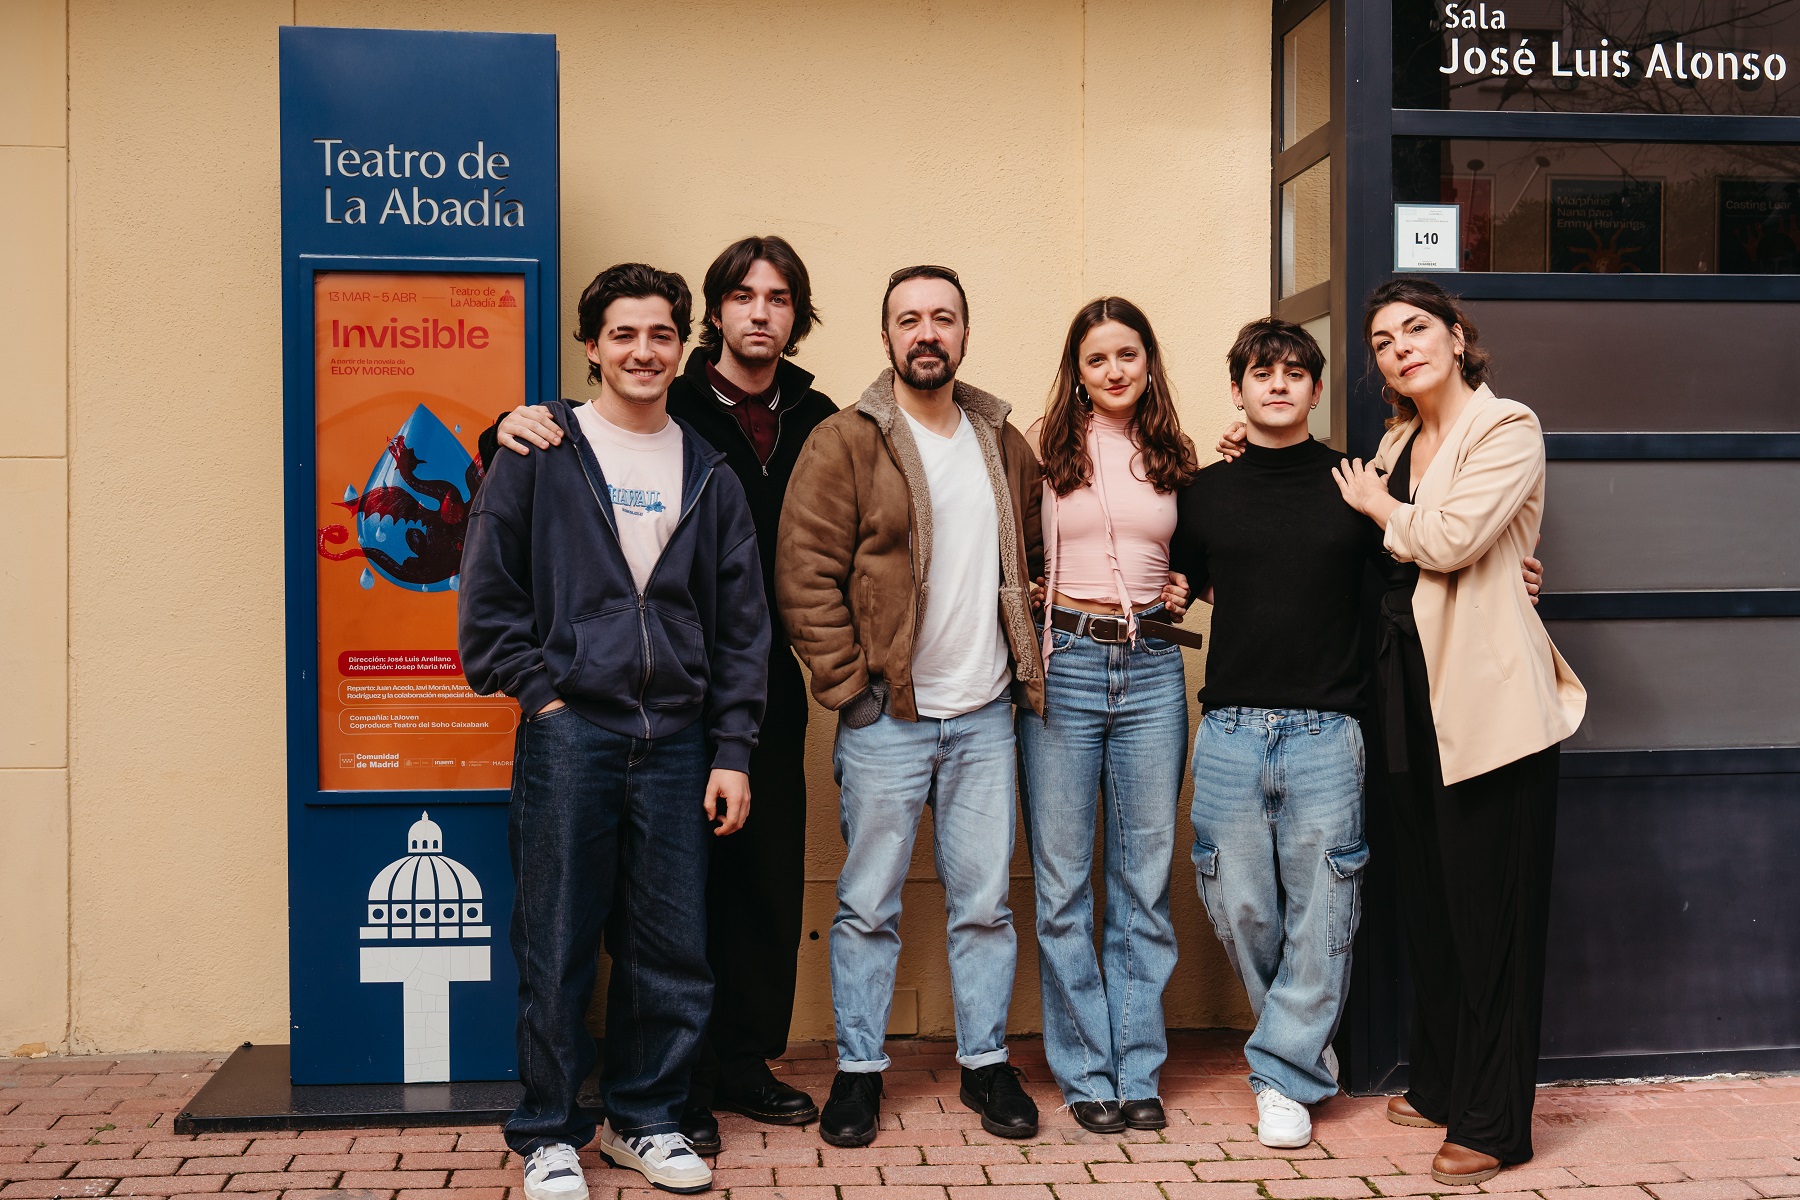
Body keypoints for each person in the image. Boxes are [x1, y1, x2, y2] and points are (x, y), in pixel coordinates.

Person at [479, 236, 836, 1154]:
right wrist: (542, 697)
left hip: (694, 717)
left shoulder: (757, 444)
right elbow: (493, 588)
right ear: (592, 345)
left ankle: (658, 1110)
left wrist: (731, 741)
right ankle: (562, 1129)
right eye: (625, 335)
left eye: (659, 335)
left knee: (680, 933)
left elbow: (756, 612)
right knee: (563, 936)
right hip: (577, 722)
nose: (645, 350)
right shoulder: (564, 442)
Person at [776, 265, 1044, 1148]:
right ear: (886, 335)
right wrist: (851, 692)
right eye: (909, 319)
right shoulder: (846, 440)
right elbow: (805, 575)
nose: (927, 332)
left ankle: (984, 1065)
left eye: (944, 318)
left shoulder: (1003, 440)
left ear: (966, 332)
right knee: (868, 906)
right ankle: (857, 1072)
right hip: (887, 718)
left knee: (983, 905)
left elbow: (1044, 550)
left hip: (984, 717)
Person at [1332, 278, 1585, 1187]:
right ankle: (1441, 1083)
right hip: (1408, 696)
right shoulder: (1399, 440)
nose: (1401, 346)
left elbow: (1446, 539)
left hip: (1488, 705)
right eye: (1383, 339)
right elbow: (1382, 540)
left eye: (1416, 328)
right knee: (1433, 905)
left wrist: (1385, 514)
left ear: (1456, 336)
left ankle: (1494, 1122)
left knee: (1491, 918)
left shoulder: (1506, 426)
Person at [1169, 318, 1379, 1151]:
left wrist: (1516, 569)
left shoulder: (1356, 484)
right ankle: (1299, 1047)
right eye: (1262, 372)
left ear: (1317, 391)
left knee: (1325, 905)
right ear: (1238, 389)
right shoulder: (1205, 493)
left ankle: (1283, 1077)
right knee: (1242, 903)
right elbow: (1175, 584)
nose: (1279, 384)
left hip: (1329, 729)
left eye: (1296, 372)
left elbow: (1419, 567)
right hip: (1229, 729)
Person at [1017, 297, 1199, 1134]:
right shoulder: (1041, 452)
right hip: (1067, 663)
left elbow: (1198, 553)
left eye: (1129, 354)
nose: (1116, 370)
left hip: (1155, 669)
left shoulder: (1176, 456)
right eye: (1098, 359)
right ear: (1078, 371)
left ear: (1148, 362)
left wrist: (1185, 583)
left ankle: (1137, 1068)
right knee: (1062, 886)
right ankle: (1086, 1070)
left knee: (1142, 881)